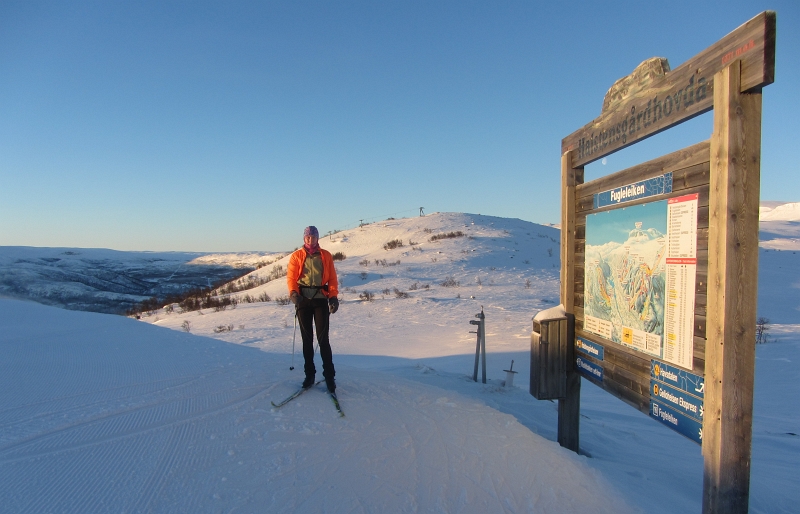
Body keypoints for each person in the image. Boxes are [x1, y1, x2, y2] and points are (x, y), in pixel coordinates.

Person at [286, 226, 340, 393]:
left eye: (313, 237)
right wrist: (293, 293)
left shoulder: (326, 255)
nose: (311, 239)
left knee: (323, 340)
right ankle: (309, 375)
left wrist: (333, 297)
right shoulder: (296, 256)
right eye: (308, 237)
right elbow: (291, 277)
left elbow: (332, 278)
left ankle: (329, 377)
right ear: (304, 238)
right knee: (307, 340)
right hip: (303, 300)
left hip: (320, 299)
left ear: (317, 238)